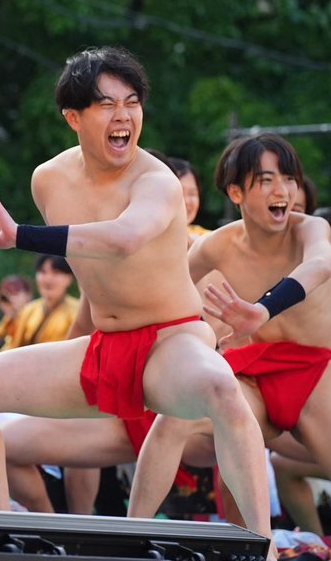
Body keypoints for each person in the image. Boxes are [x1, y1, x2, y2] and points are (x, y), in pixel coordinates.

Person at [0, 47, 271, 539]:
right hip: (102, 349)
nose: (123, 116)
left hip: (171, 343)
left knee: (223, 389)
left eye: (132, 102)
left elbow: (123, 239)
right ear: (73, 117)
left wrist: (24, 236)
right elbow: (96, 282)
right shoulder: (48, 180)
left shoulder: (157, 180)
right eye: (106, 104)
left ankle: (264, 546)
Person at [128, 134, 331, 529]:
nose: (282, 191)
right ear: (236, 192)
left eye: (289, 179)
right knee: (175, 418)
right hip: (257, 374)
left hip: (318, 374)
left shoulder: (310, 229)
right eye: (267, 180)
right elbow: (162, 293)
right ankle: (130, 534)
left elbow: (320, 265)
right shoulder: (215, 247)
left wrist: (263, 309)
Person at [1, 256, 78, 351]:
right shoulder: (28, 310)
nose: (48, 279)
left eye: (56, 272)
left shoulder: (77, 313)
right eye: (43, 272)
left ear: (69, 278)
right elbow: (12, 347)